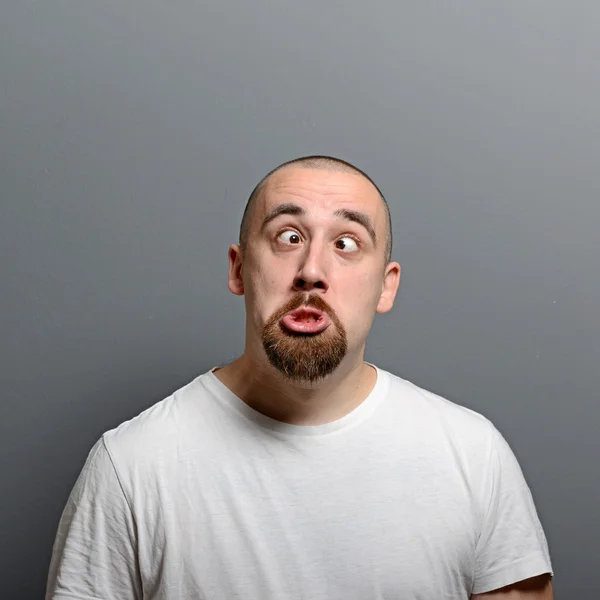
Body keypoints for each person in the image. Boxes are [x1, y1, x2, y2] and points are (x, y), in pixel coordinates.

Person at [46, 155, 553, 599]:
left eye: (347, 242)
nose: (312, 269)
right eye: (288, 237)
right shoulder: (130, 466)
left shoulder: (473, 456)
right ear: (239, 270)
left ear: (385, 285)